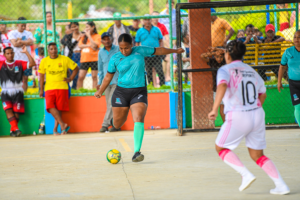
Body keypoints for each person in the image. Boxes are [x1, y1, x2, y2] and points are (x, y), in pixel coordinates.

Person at [208, 40, 290, 195]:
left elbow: (222, 86)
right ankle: (281, 185)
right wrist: (254, 108)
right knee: (257, 155)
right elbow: (263, 94)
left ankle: (245, 175)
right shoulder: (251, 71)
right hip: (257, 114)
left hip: (238, 115)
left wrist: (214, 109)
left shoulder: (225, 70)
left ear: (227, 54)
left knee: (220, 147)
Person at [94, 33, 184, 162]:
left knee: (139, 117)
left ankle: (137, 152)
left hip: (139, 91)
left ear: (132, 45)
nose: (124, 51)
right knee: (118, 123)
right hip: (121, 92)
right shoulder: (115, 58)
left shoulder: (140, 50)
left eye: (126, 48)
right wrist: (100, 91)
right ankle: (116, 121)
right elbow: (108, 76)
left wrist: (175, 50)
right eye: (121, 48)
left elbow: (159, 50)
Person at [38, 42, 79, 135]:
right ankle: (62, 124)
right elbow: (41, 76)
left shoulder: (64, 59)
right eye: (51, 49)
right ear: (48, 51)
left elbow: (76, 68)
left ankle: (56, 129)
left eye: (55, 48)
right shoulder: (44, 61)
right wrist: (41, 89)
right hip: (49, 88)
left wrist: (71, 78)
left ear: (58, 49)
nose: (53, 51)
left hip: (62, 87)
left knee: (59, 109)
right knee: (50, 106)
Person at [0, 46, 35, 136]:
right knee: (8, 110)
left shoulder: (19, 63)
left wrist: (26, 52)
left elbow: (32, 63)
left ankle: (13, 131)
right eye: (8, 53)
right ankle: (16, 128)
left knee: (16, 112)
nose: (10, 55)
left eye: (11, 53)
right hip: (5, 92)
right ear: (4, 55)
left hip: (18, 91)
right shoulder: (1, 64)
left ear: (14, 53)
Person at [97, 32, 120, 132]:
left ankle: (105, 125)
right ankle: (116, 125)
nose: (106, 41)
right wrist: (100, 82)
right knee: (110, 104)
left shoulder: (118, 49)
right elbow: (100, 69)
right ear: (101, 41)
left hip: (117, 80)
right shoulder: (100, 52)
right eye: (104, 39)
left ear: (111, 39)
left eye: (108, 39)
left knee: (112, 103)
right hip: (106, 82)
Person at [278, 30, 300, 127]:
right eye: (295, 37)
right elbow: (282, 67)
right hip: (294, 84)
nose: (296, 39)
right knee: (298, 106)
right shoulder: (288, 52)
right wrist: (279, 82)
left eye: (299, 37)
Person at [136, 15, 165, 87]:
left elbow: (161, 40)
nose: (147, 21)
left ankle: (163, 86)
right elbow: (137, 43)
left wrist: (161, 49)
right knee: (148, 72)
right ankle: (151, 86)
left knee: (160, 71)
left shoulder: (157, 29)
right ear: (143, 21)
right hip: (146, 55)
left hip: (156, 54)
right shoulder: (140, 31)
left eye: (148, 20)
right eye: (145, 20)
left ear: (151, 20)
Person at [8, 17, 34, 92]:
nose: (23, 27)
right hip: (16, 60)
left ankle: (24, 94)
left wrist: (20, 41)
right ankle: (17, 93)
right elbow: (15, 44)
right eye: (22, 25)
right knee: (16, 78)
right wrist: (26, 42)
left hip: (27, 60)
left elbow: (31, 42)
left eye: (24, 25)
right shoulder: (12, 33)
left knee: (25, 78)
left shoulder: (28, 33)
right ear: (17, 24)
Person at [201, 46, 226, 122]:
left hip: (228, 88)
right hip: (217, 89)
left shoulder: (226, 61)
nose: (219, 59)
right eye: (217, 57)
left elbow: (229, 52)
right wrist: (214, 52)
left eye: (221, 57)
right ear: (214, 56)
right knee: (222, 110)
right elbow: (202, 56)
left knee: (227, 110)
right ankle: (226, 125)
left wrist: (219, 50)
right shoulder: (212, 61)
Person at [77, 21, 101, 89]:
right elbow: (80, 45)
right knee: (81, 76)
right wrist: (90, 45)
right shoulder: (83, 36)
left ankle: (94, 91)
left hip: (94, 59)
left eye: (88, 27)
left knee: (94, 77)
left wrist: (89, 36)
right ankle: (80, 91)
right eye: (86, 27)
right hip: (85, 59)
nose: (86, 29)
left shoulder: (97, 36)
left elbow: (95, 45)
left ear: (93, 27)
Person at [61, 22, 83, 89]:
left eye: (76, 26)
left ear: (78, 26)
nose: (75, 28)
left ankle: (74, 88)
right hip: (72, 55)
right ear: (70, 28)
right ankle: (68, 88)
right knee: (70, 72)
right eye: (73, 27)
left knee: (78, 74)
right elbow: (70, 47)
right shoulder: (69, 36)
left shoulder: (83, 34)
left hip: (81, 55)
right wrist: (77, 39)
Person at [152, 11, 171, 83]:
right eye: (154, 17)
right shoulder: (149, 26)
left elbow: (167, 37)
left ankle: (167, 76)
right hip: (153, 49)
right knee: (152, 64)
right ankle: (153, 81)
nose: (155, 18)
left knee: (168, 59)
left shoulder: (162, 26)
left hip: (161, 48)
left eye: (157, 16)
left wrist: (168, 47)